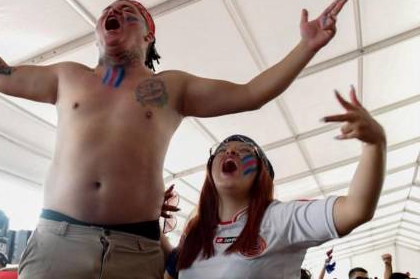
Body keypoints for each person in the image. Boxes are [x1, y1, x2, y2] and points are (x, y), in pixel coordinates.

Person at [0, 0, 349, 279]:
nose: (115, 16)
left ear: (149, 36)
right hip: (59, 240)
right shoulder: (67, 76)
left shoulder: (172, 88)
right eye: (109, 14)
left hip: (136, 249)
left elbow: (252, 93)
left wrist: (307, 47)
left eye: (129, 15)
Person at [165, 87, 385, 277]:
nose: (230, 150)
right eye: (222, 150)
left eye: (245, 151)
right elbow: (170, 270)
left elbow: (356, 209)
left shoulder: (280, 218)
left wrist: (375, 144)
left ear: (262, 175)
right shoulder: (196, 229)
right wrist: (148, 216)